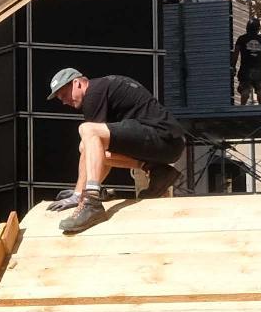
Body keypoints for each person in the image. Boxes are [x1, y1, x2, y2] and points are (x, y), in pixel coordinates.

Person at [46, 67, 185, 236]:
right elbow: (94, 151)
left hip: (163, 137)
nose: (64, 101)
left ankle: (92, 201)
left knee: (88, 132)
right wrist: (77, 193)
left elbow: (92, 142)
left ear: (77, 83)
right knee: (88, 145)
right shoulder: (103, 88)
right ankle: (156, 169)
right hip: (165, 143)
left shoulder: (94, 93)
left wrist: (78, 195)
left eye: (64, 94)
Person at [233, 21, 261, 106]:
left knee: (245, 89)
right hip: (258, 69)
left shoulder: (242, 39)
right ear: (257, 28)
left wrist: (233, 66)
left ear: (247, 27)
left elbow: (236, 54)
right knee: (260, 89)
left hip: (245, 69)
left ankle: (242, 108)